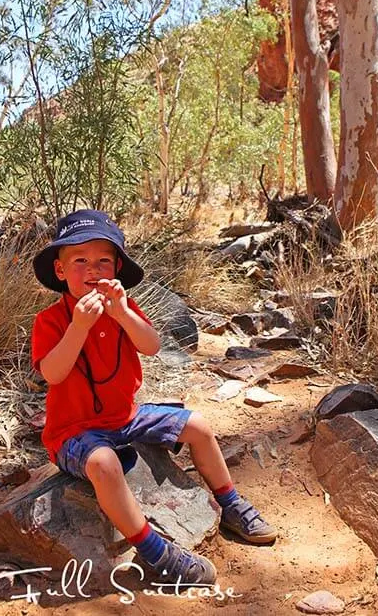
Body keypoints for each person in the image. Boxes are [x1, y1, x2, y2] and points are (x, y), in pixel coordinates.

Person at [31, 210, 277, 589]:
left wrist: (124, 314)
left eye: (103, 261)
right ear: (61, 271)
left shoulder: (122, 309)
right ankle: (154, 551)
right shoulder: (50, 320)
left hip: (125, 417)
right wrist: (79, 326)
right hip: (73, 431)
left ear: (116, 269)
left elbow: (151, 345)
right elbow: (53, 372)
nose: (92, 270)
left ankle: (229, 502)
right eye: (80, 260)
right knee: (105, 465)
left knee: (197, 426)